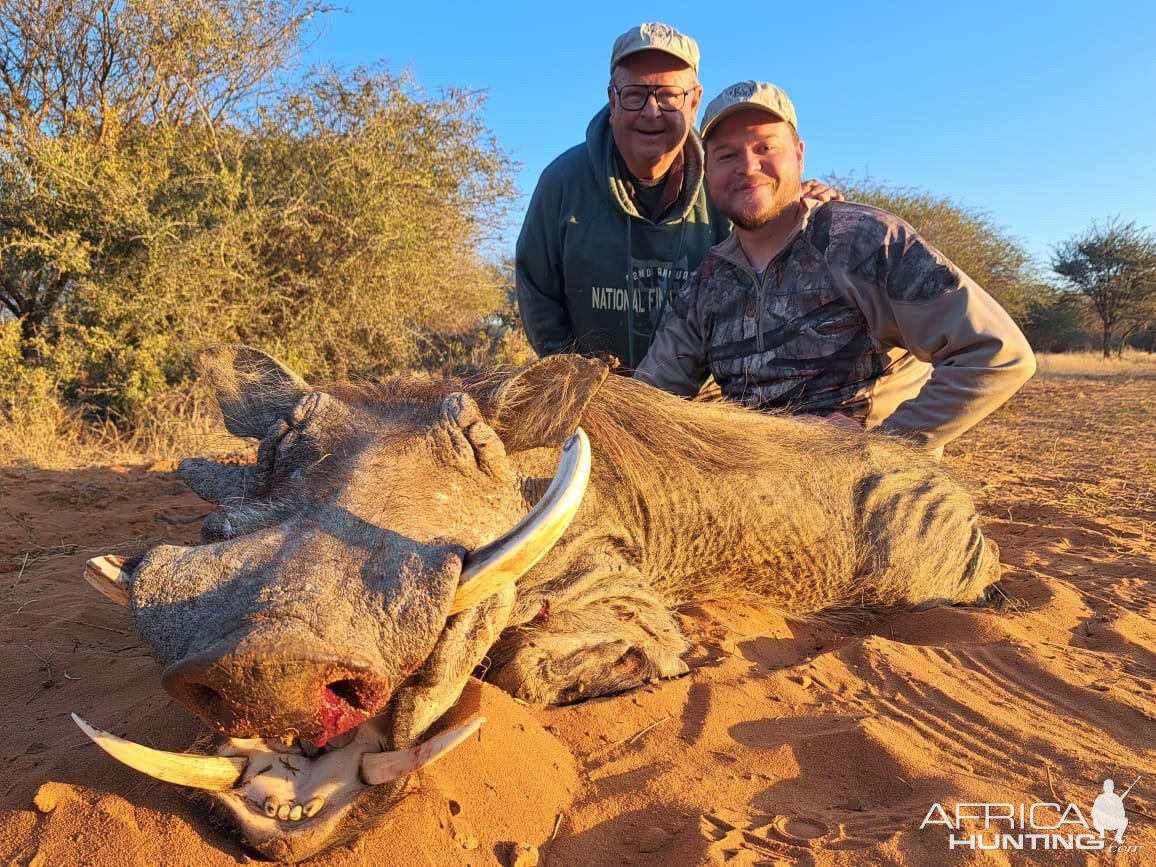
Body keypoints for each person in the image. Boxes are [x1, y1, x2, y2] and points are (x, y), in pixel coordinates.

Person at [635, 80, 1036, 452]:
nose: (748, 166)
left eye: (765, 148)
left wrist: (881, 451)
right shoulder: (707, 281)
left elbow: (997, 354)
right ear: (709, 173)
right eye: (727, 155)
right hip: (755, 491)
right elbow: (650, 397)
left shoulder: (865, 239)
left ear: (799, 154)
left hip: (871, 500)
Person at [515, 23, 838, 371]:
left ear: (694, 101)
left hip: (702, 402)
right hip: (594, 397)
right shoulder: (561, 182)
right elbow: (537, 290)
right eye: (635, 94)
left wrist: (818, 211)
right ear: (612, 100)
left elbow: (778, 246)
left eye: (669, 95)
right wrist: (570, 378)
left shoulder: (728, 184)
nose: (651, 111)